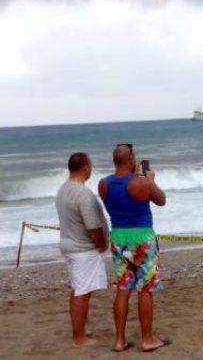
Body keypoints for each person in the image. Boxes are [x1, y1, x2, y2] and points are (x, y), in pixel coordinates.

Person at [98, 144, 169, 352]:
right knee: (145, 289)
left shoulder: (103, 184)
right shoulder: (141, 183)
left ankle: (119, 340)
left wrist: (139, 176)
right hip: (142, 238)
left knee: (123, 287)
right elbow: (161, 200)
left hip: (119, 237)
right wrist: (150, 179)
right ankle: (147, 338)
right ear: (132, 159)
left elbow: (120, 196)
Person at [55, 152, 108, 348]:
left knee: (78, 288)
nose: (91, 169)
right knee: (83, 292)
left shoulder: (63, 189)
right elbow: (93, 226)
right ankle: (79, 337)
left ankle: (80, 329)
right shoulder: (83, 194)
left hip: (69, 245)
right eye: (90, 165)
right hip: (82, 248)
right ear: (85, 168)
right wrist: (102, 244)